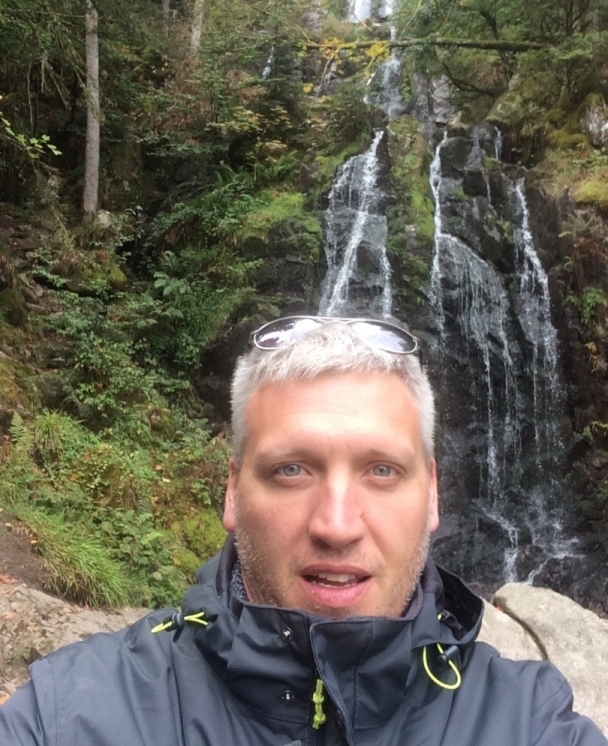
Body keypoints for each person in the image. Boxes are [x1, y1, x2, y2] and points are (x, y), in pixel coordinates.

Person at [0, 315, 606, 746]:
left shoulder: (528, 722)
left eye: (382, 470)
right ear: (233, 491)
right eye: (291, 470)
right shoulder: (72, 715)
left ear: (431, 493)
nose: (336, 526)